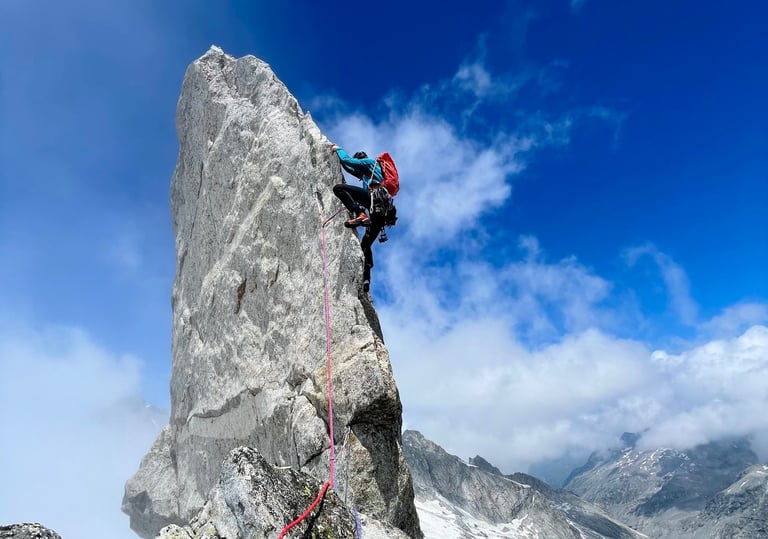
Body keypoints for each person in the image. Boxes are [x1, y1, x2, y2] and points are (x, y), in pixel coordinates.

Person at [330, 143, 385, 293]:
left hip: (374, 200)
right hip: (380, 214)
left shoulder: (370, 163)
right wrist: (341, 160)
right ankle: (366, 278)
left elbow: (348, 162)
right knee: (365, 246)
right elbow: (350, 168)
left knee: (339, 188)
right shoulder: (368, 174)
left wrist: (338, 150)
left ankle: (360, 213)